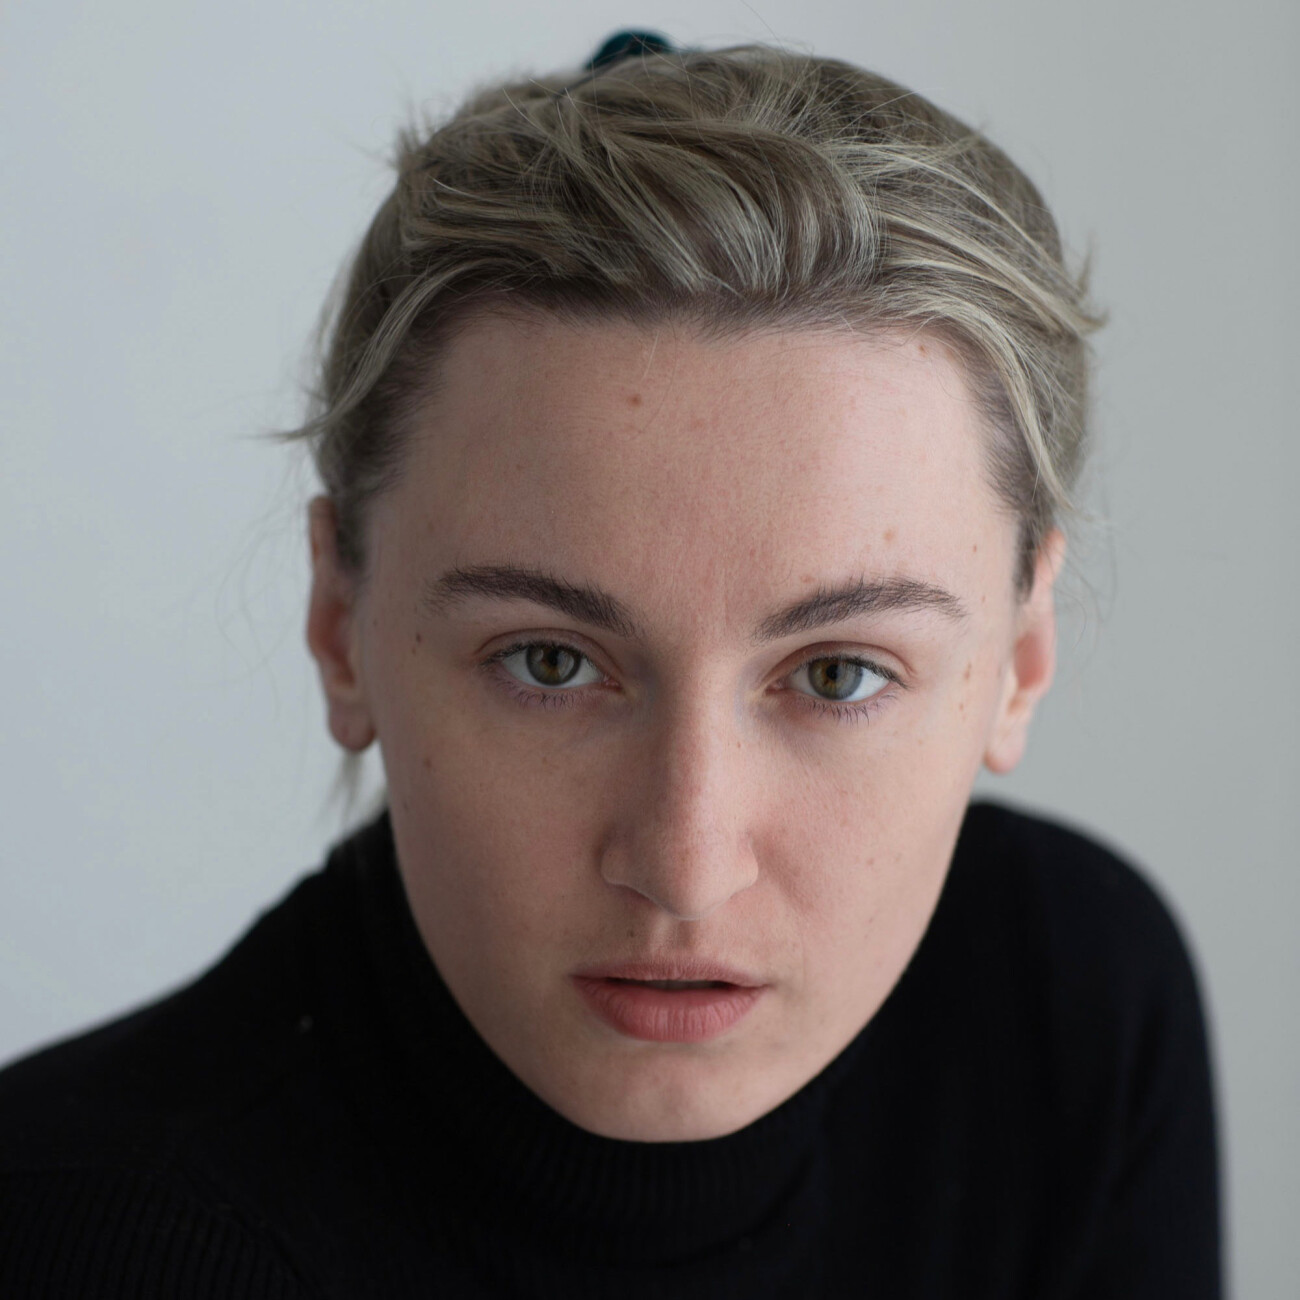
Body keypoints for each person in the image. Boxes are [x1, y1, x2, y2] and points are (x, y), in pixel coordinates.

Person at [0, 32, 1221, 1298]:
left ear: (1019, 657)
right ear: (338, 621)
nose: (685, 865)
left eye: (837, 675)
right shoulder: (96, 1244)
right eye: (548, 661)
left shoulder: (1068, 1013)